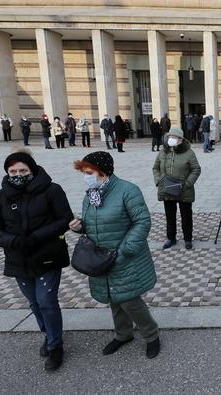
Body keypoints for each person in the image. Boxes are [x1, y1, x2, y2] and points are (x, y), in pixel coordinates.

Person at [0, 149, 73, 371]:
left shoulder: (52, 190)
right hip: (18, 259)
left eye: (22, 170)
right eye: (13, 171)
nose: (18, 174)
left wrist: (35, 237)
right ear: (7, 172)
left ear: (31, 169)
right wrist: (13, 241)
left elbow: (64, 220)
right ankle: (48, 334)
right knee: (34, 302)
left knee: (46, 301)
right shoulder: (1, 195)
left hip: (47, 256)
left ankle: (56, 346)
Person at [70, 152, 160, 359]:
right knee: (114, 297)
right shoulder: (91, 193)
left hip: (123, 256)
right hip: (101, 259)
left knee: (129, 299)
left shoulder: (128, 190)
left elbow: (142, 221)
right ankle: (123, 334)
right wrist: (80, 227)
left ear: (103, 172)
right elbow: (93, 225)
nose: (86, 176)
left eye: (89, 172)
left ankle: (151, 335)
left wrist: (125, 250)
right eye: (84, 172)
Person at [153, 128, 201, 250]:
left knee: (186, 216)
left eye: (174, 138)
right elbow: (156, 168)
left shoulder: (189, 153)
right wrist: (159, 180)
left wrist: (188, 183)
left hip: (184, 190)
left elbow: (196, 169)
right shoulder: (163, 152)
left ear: (181, 140)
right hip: (167, 189)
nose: (171, 140)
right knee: (170, 215)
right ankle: (171, 238)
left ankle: (188, 239)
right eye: (169, 137)